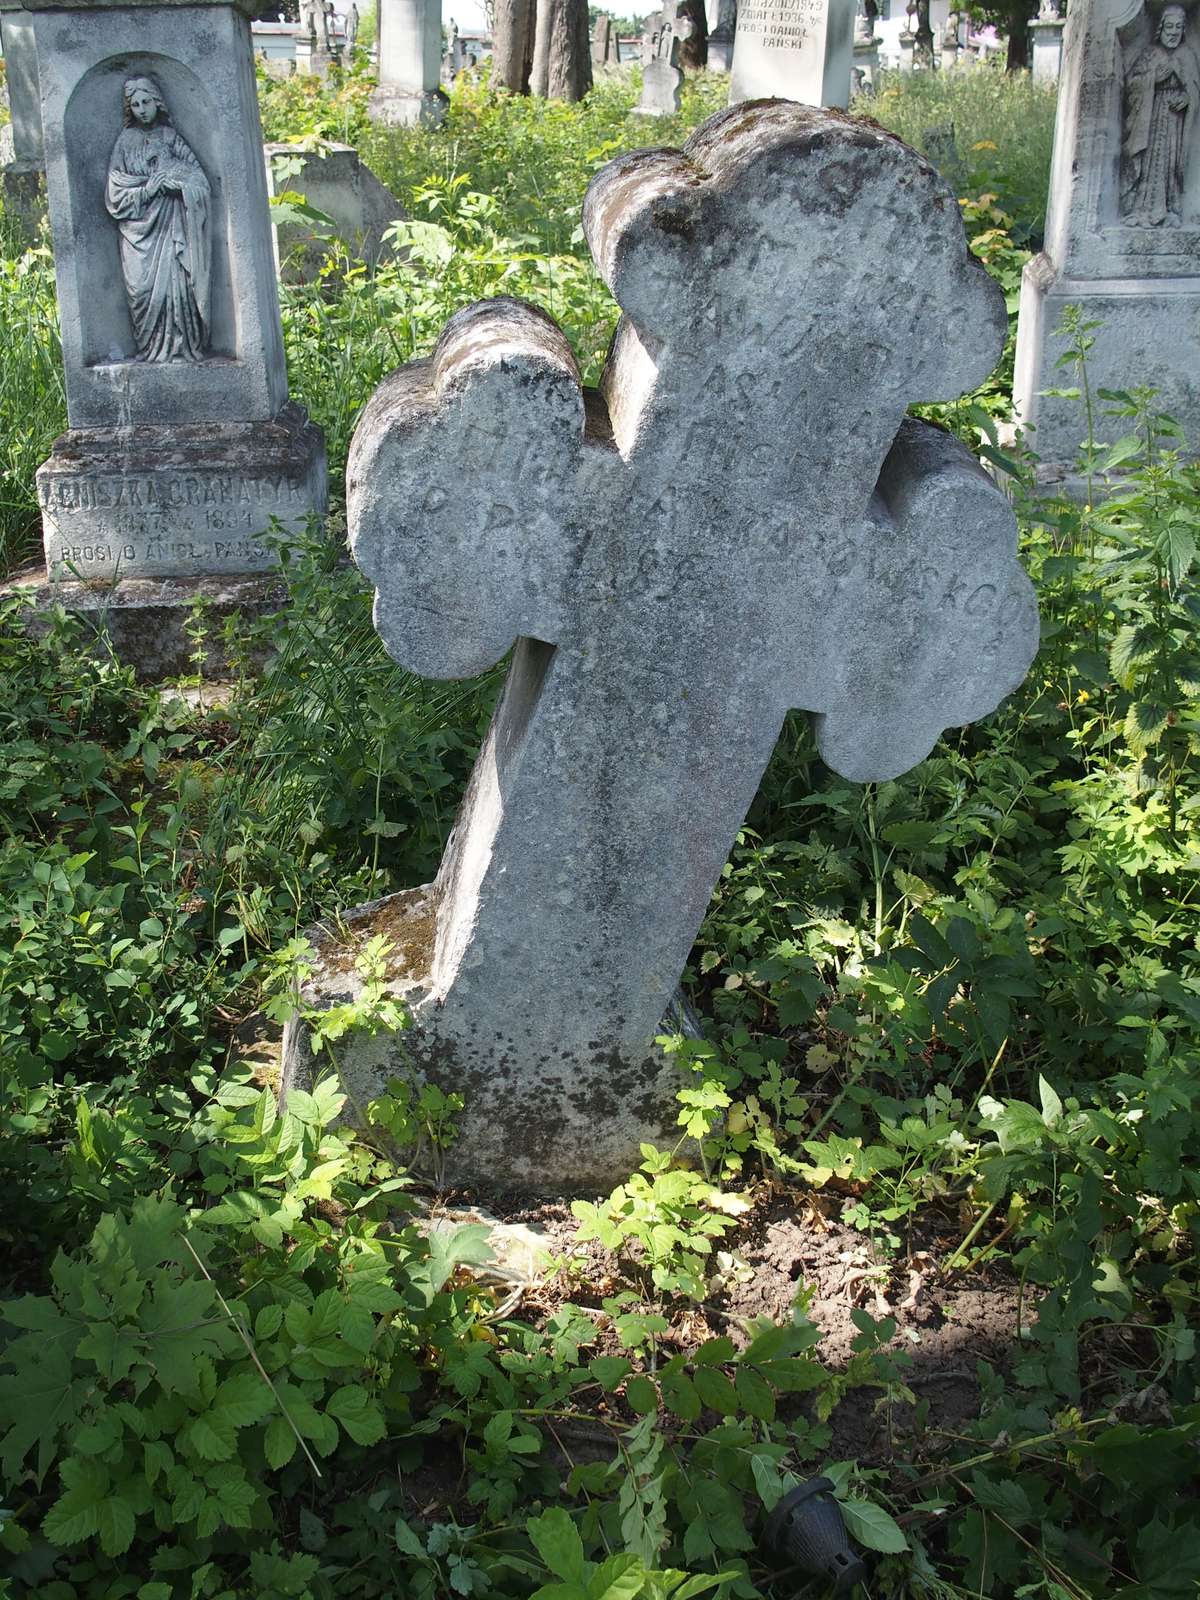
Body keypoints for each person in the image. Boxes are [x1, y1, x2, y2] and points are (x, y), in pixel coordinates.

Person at [105, 76, 211, 363]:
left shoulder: (171, 138)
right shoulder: (125, 142)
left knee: (176, 285)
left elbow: (200, 181)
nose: (141, 109)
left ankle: (179, 347)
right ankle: (150, 349)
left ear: (157, 102)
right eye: (135, 104)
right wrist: (147, 189)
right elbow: (114, 194)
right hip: (138, 233)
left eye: (146, 102)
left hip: (172, 224)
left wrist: (179, 187)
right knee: (142, 290)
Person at [1121, 3, 1200, 227]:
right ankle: (1143, 209)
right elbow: (1132, 84)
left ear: (1184, 30)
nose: (1174, 32)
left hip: (1176, 120)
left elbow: (1194, 89)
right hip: (1151, 118)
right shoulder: (1150, 54)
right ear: (1161, 28)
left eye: (1178, 27)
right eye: (1169, 27)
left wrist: (1187, 99)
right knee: (1150, 161)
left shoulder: (1187, 56)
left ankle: (1170, 209)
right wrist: (1152, 80)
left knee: (1171, 163)